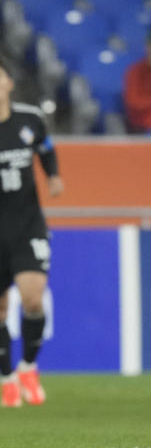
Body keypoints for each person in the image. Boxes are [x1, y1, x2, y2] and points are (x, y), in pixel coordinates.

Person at [0, 55, 64, 408]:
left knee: (33, 299)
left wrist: (53, 176)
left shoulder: (30, 120)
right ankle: (6, 377)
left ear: (9, 83)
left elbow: (46, 149)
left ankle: (28, 366)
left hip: (27, 225)